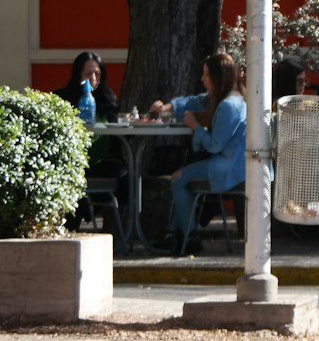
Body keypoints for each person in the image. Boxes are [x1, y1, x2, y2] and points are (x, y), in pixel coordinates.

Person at [147, 52, 246, 255]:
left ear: (218, 78)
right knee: (181, 177)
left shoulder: (229, 106)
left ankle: (189, 236)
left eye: (206, 75)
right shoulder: (220, 98)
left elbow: (214, 146)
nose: (202, 79)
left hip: (231, 167)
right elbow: (193, 101)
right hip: (228, 162)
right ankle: (176, 234)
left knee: (178, 178)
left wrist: (195, 127)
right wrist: (166, 108)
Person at [54, 51, 125, 229]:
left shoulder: (107, 98)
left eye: (97, 74)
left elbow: (118, 127)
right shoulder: (64, 98)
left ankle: (119, 233)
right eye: (88, 73)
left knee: (124, 173)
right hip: (75, 164)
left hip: (102, 162)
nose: (93, 78)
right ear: (78, 74)